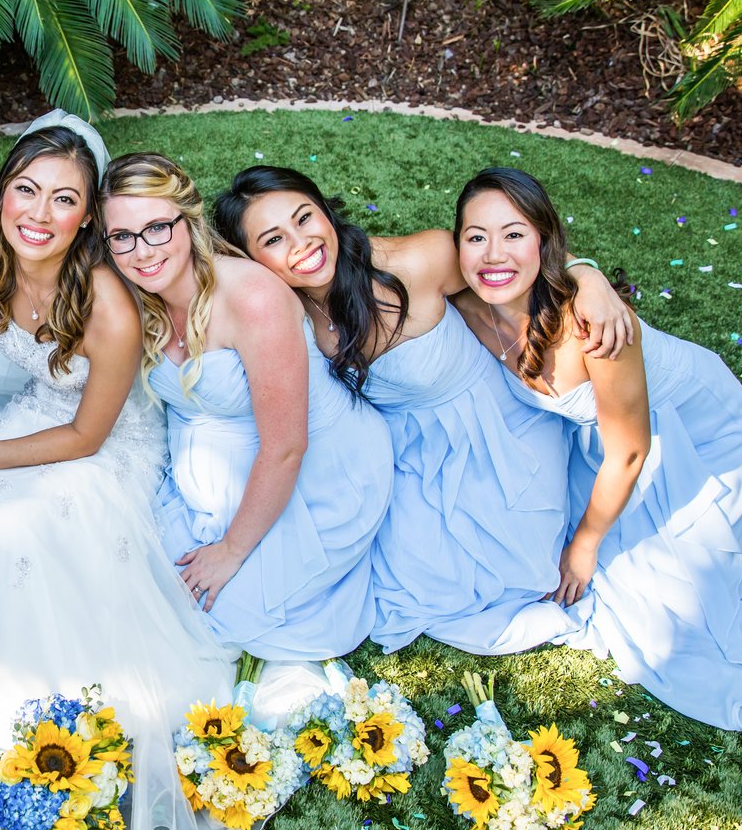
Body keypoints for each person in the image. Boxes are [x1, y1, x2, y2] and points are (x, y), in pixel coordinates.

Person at [0, 114, 277, 830]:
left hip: (104, 446)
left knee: (26, 525)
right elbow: (2, 316)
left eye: (65, 199)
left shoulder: (107, 305)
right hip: (41, 410)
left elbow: (87, 438)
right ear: (3, 193)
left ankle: (32, 705)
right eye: (27, 190)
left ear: (88, 217)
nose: (39, 214)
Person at [217, 166, 633, 657]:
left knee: (502, 578)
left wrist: (587, 275)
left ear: (325, 211)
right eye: (273, 239)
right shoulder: (285, 313)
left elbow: (508, 266)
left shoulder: (419, 260)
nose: (301, 243)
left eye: (304, 217)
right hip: (411, 452)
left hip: (498, 432)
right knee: (412, 583)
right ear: (251, 261)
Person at [453, 167, 742, 730]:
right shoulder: (466, 304)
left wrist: (584, 545)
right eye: (476, 236)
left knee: (661, 601)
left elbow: (629, 452)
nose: (493, 254)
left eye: (514, 234)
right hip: (605, 431)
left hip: (690, 423)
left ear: (543, 242)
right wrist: (587, 270)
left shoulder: (592, 326)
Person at [102, 154, 388, 660]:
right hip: (210, 479)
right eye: (122, 236)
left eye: (157, 228)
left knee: (221, 616)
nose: (142, 251)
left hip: (317, 473)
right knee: (134, 582)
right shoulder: (134, 292)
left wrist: (231, 551)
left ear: (188, 219)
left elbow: (286, 447)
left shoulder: (252, 297)